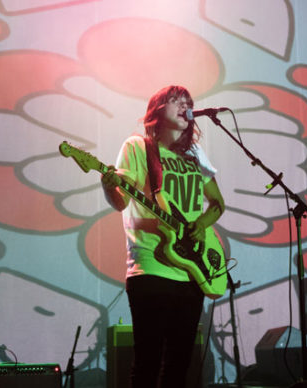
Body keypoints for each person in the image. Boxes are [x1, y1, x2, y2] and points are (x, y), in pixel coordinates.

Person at [101, 85, 225, 387]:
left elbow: (218, 204)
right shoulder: (137, 147)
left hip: (193, 271)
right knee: (147, 362)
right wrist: (108, 185)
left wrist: (199, 225)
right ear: (157, 111)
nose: (185, 106)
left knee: (179, 366)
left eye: (188, 103)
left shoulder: (195, 154)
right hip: (151, 267)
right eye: (176, 101)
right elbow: (121, 202)